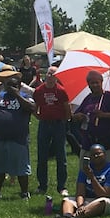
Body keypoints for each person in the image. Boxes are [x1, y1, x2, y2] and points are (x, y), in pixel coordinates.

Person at [0, 70, 36, 199]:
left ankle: (24, 192)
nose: (11, 88)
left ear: (19, 86)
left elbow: (31, 108)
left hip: (18, 138)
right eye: (9, 86)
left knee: (21, 168)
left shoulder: (25, 97)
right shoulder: (0, 97)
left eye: (14, 86)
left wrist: (17, 95)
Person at [72, 70, 110, 170]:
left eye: (96, 82)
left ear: (101, 82)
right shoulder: (88, 98)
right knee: (85, 172)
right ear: (88, 84)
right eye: (92, 83)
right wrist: (78, 116)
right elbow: (77, 113)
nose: (94, 85)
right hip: (89, 143)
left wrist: (104, 115)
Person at [31, 66, 71, 195]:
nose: (50, 76)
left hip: (58, 124)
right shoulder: (39, 90)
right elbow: (35, 107)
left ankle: (61, 186)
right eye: (48, 74)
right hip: (44, 124)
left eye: (53, 74)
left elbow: (67, 108)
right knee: (42, 156)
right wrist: (39, 117)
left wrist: (64, 121)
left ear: (56, 77)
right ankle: (42, 185)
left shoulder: (61, 91)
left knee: (61, 156)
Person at [59, 144, 110, 218]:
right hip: (89, 199)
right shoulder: (85, 170)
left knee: (102, 201)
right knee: (67, 200)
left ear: (105, 154)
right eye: (93, 155)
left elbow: (104, 194)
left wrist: (91, 177)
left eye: (99, 153)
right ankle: (67, 216)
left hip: (109, 201)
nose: (96, 156)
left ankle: (76, 217)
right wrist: (80, 206)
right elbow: (80, 193)